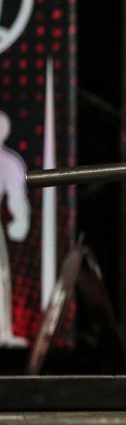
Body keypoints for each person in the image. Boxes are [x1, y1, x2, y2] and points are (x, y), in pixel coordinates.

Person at [0, 110, 30, 347]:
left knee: (1, 276)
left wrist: (19, 223)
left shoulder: (9, 162)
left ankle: (2, 332)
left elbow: (17, 200)